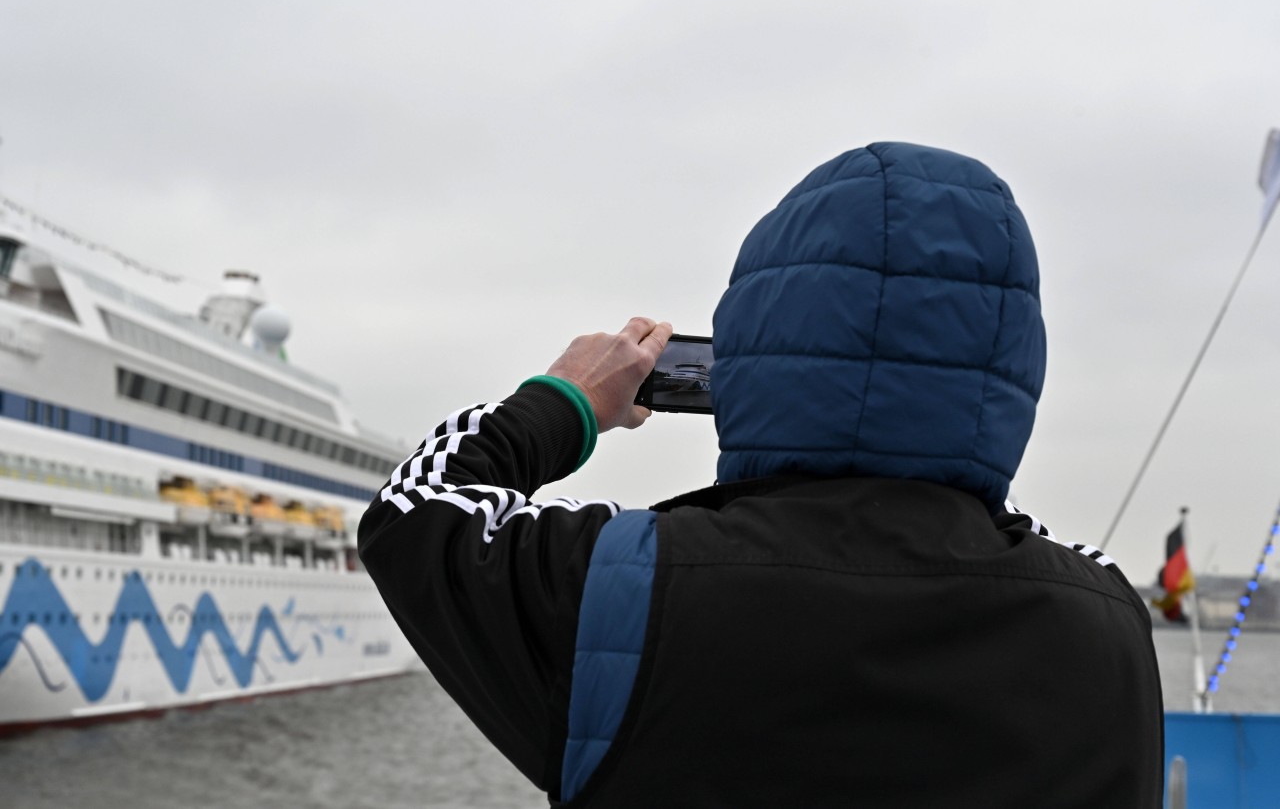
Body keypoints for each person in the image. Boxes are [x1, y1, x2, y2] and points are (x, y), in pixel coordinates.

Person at [359, 142, 1164, 807]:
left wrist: (565, 400)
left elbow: (415, 512)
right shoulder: (1107, 617)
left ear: (753, 348)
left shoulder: (629, 582)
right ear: (1015, 361)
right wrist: (947, 440)